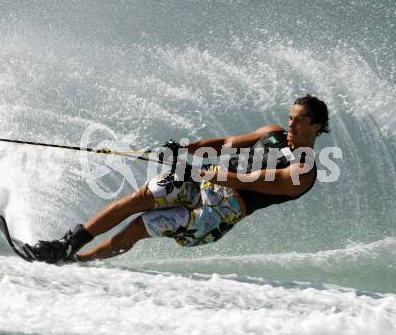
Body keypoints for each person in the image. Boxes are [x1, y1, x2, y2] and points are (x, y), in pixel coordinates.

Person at [28, 94, 330, 263]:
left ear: (316, 127)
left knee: (138, 226)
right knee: (140, 198)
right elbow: (225, 143)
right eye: (291, 117)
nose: (291, 124)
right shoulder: (272, 134)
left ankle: (81, 262)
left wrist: (200, 171)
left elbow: (249, 180)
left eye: (300, 120)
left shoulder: (302, 173)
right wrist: (182, 149)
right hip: (205, 182)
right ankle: (66, 245)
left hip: (217, 214)